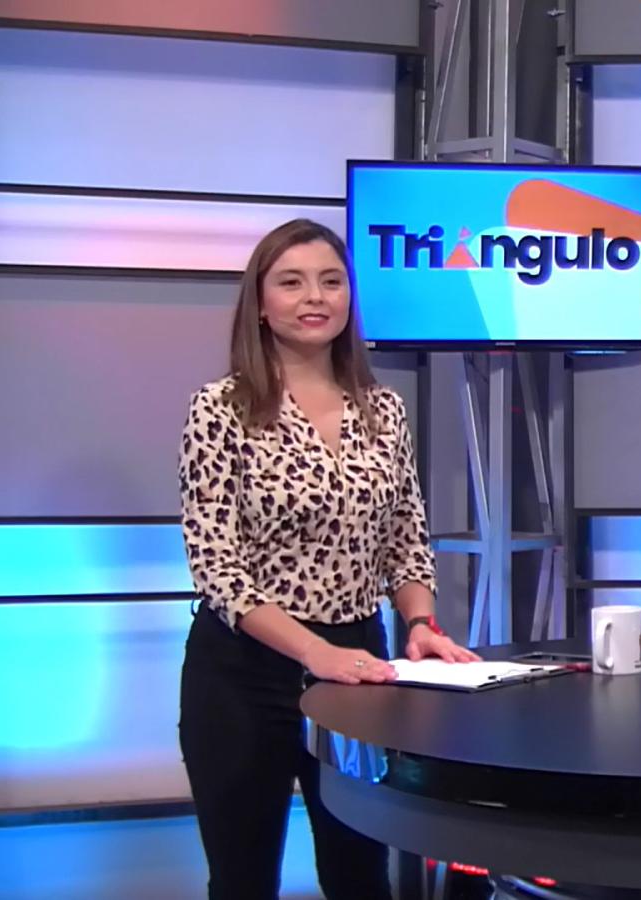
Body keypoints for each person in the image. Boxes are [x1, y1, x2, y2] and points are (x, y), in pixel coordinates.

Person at [176, 218, 478, 900]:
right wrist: (314, 653)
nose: (315, 297)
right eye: (292, 282)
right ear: (260, 303)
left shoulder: (383, 410)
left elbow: (406, 538)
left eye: (331, 281)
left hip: (358, 668)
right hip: (244, 673)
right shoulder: (219, 410)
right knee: (243, 879)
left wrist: (420, 624)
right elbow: (218, 569)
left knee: (359, 874)